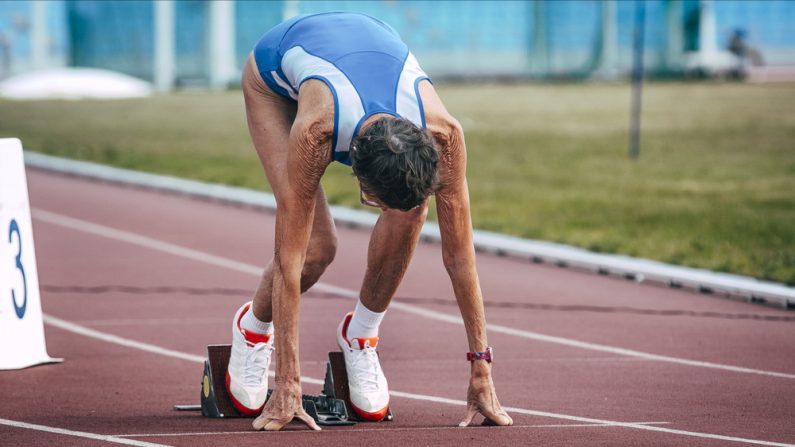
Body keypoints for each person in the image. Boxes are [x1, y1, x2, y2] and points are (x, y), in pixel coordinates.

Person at [226, 11, 513, 431]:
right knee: (316, 249)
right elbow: (287, 261)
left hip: (364, 49)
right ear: (360, 180)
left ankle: (360, 333)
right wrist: (287, 381)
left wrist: (482, 368)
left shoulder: (444, 136)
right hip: (274, 79)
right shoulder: (316, 132)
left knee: (412, 211)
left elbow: (460, 257)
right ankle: (252, 329)